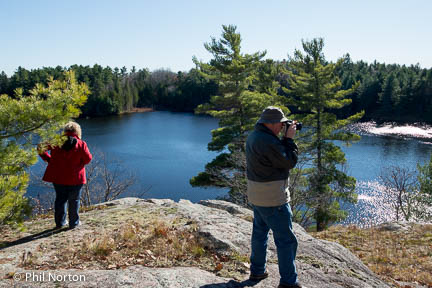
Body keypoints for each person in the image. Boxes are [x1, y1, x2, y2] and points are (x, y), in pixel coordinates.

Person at [245, 106, 301, 288]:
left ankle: (257, 270)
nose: (282, 127)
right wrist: (289, 140)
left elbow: (277, 159)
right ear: (270, 123)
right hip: (273, 198)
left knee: (260, 233)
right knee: (286, 240)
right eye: (281, 124)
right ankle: (288, 282)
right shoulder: (268, 141)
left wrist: (283, 139)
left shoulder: (254, 136)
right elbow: (289, 161)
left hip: (257, 194)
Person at [39, 121, 92, 229]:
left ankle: (60, 223)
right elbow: (88, 159)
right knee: (75, 200)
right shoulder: (81, 144)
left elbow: (40, 147)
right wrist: (79, 163)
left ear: (65, 131)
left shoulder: (56, 142)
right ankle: (74, 223)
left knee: (60, 199)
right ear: (77, 131)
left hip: (58, 177)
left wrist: (49, 160)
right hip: (76, 178)